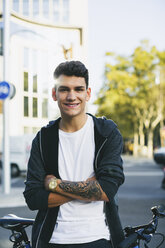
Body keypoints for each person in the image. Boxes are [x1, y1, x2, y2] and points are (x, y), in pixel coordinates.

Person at [24, 61, 125, 248]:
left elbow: (108, 189)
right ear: (54, 94)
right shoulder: (44, 138)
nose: (71, 96)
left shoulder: (106, 133)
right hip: (52, 239)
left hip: (99, 238)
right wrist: (90, 188)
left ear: (87, 93)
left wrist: (54, 184)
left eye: (78, 89)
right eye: (64, 89)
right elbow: (33, 198)